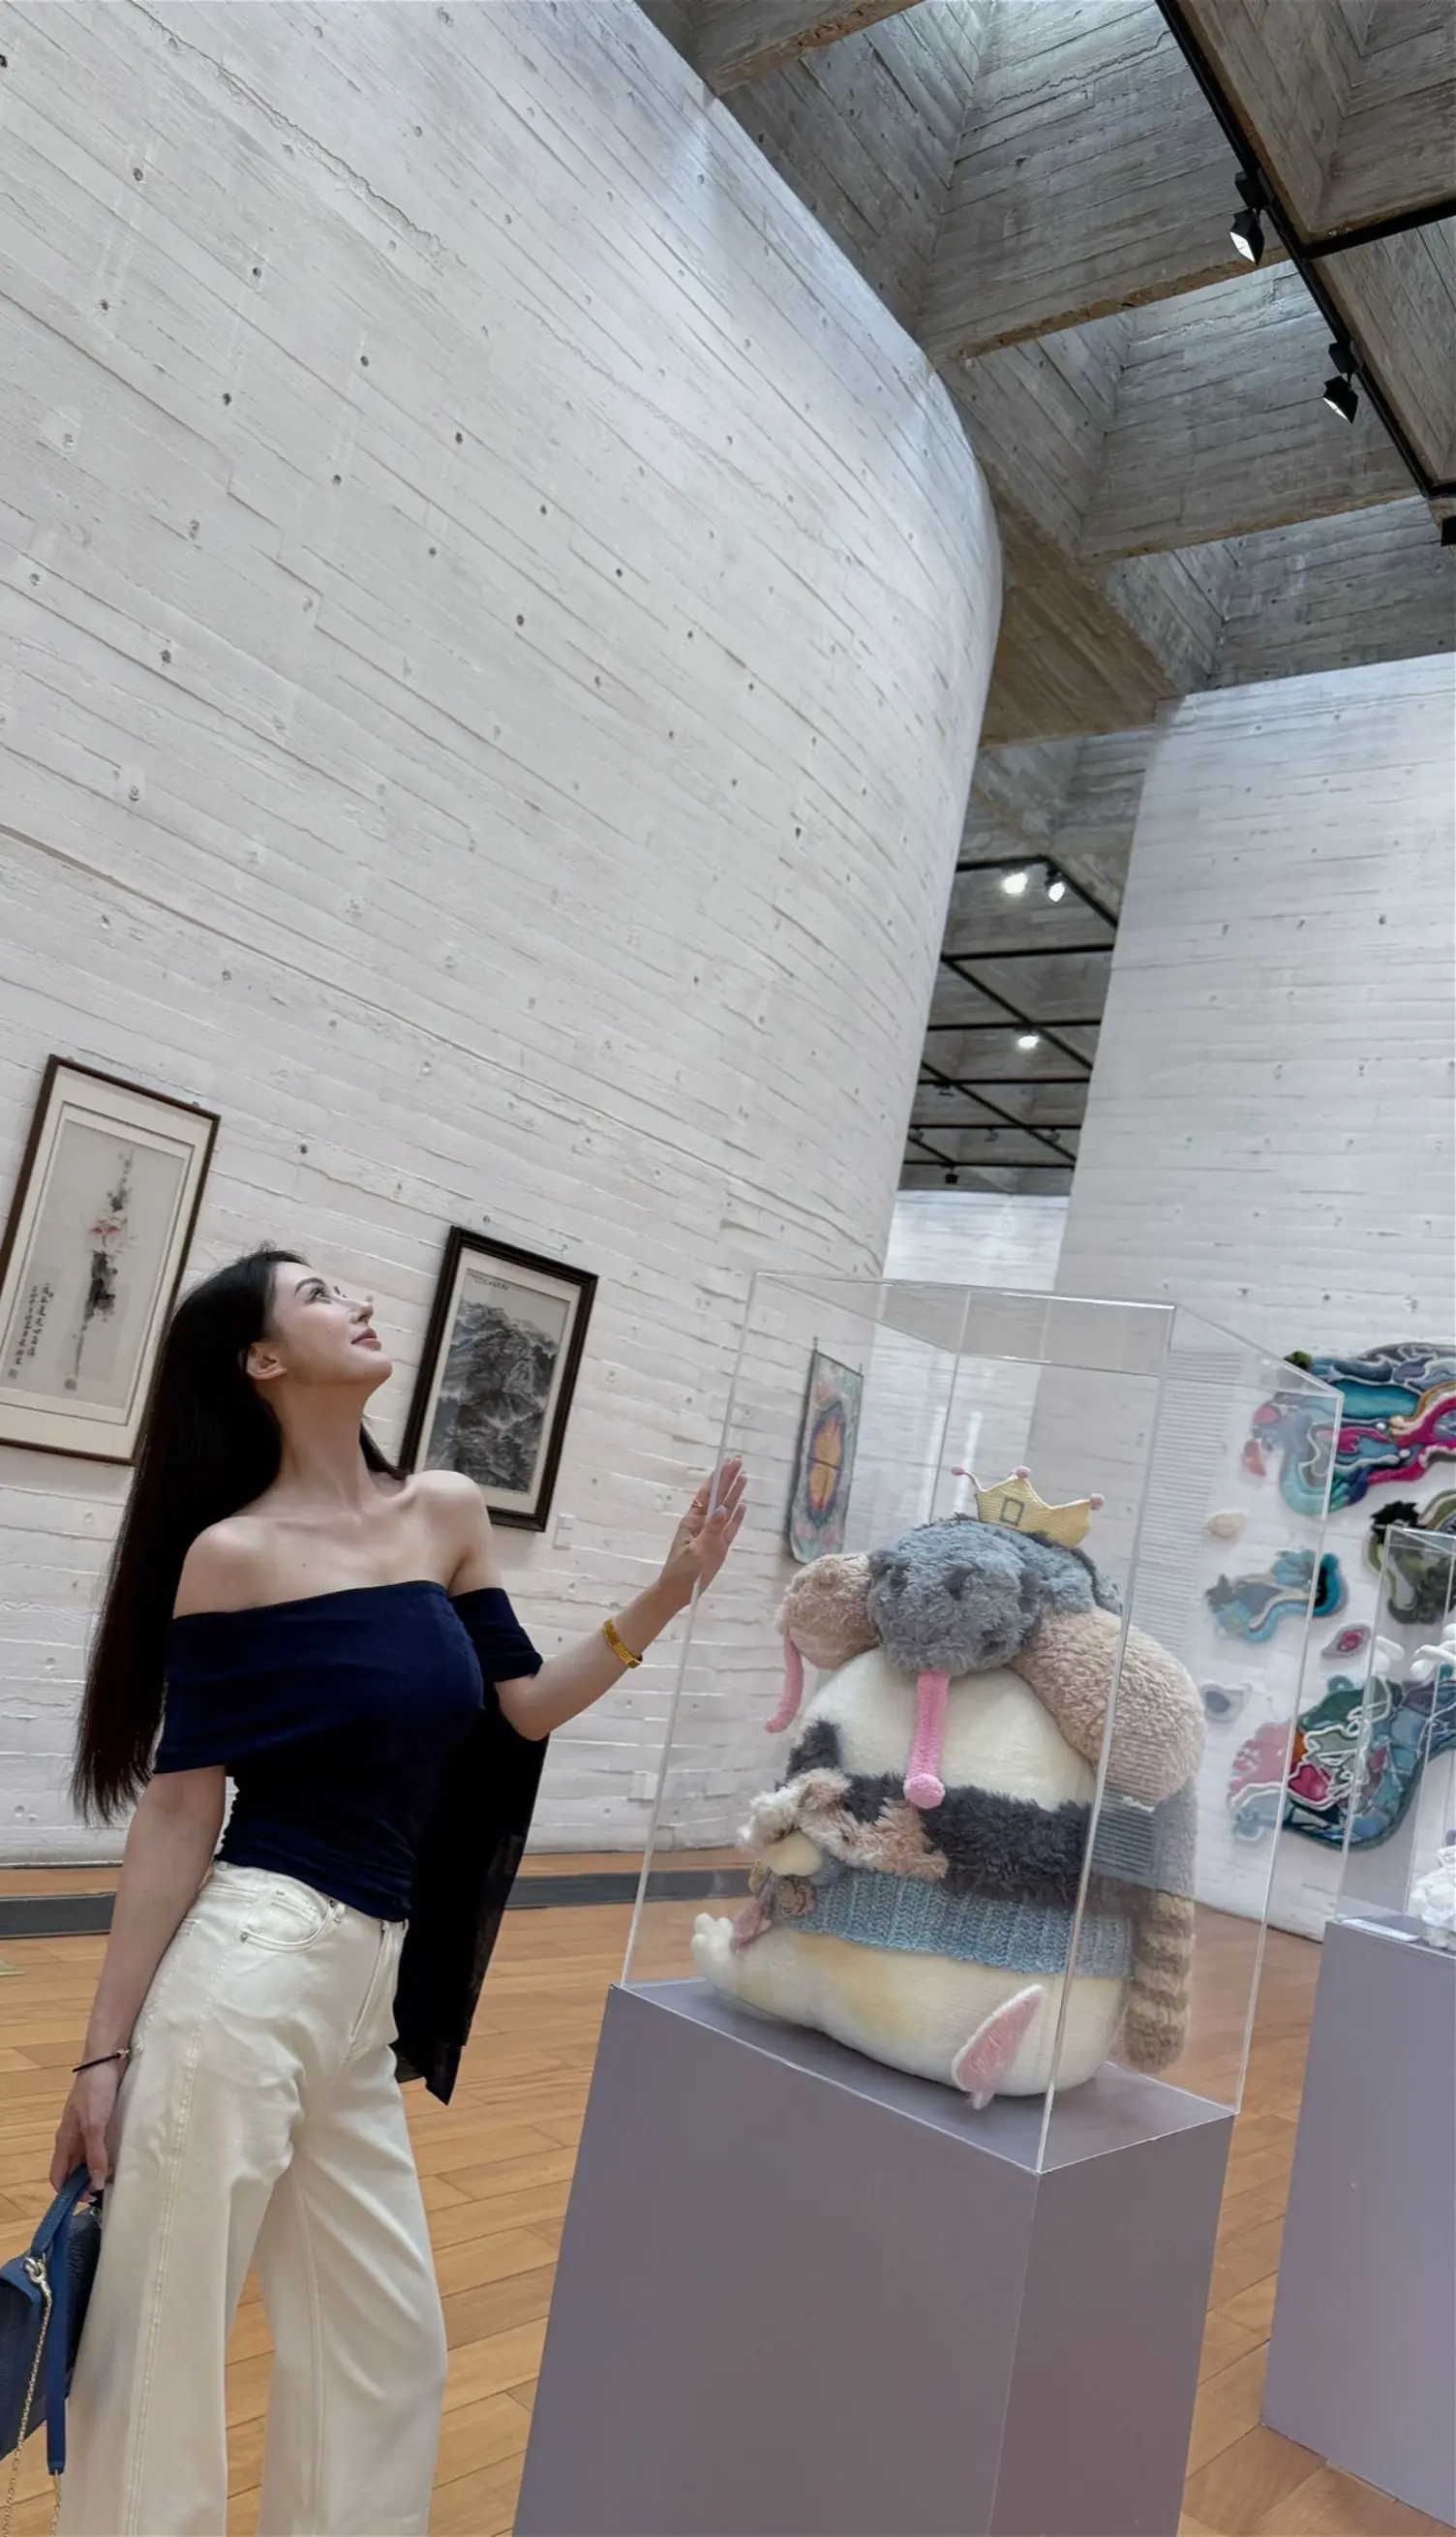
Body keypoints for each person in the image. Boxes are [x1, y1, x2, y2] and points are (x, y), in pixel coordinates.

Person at [47, 1246, 745, 2537]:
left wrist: (669, 1589)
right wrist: (103, 2054)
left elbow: (522, 1707)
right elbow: (182, 1809)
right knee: (159, 2363)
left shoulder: (445, 1511)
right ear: (263, 1360)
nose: (357, 1301)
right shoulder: (233, 1556)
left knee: (386, 2351)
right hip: (250, 1974)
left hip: (363, 1989)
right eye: (316, 1295)